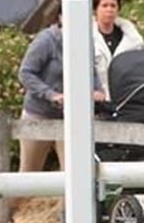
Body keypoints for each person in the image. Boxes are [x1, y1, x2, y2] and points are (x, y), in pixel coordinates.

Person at [17, 10, 105, 179]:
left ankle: (67, 199)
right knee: (29, 172)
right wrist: (51, 95)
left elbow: (91, 71)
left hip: (71, 117)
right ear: (61, 18)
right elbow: (26, 73)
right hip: (39, 114)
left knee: (72, 173)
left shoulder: (87, 41)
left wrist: (98, 90)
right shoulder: (46, 40)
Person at [92, 0, 144, 99]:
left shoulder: (132, 39)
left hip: (127, 97)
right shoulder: (87, 37)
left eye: (113, 6)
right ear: (95, 9)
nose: (109, 10)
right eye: (104, 5)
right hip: (98, 99)